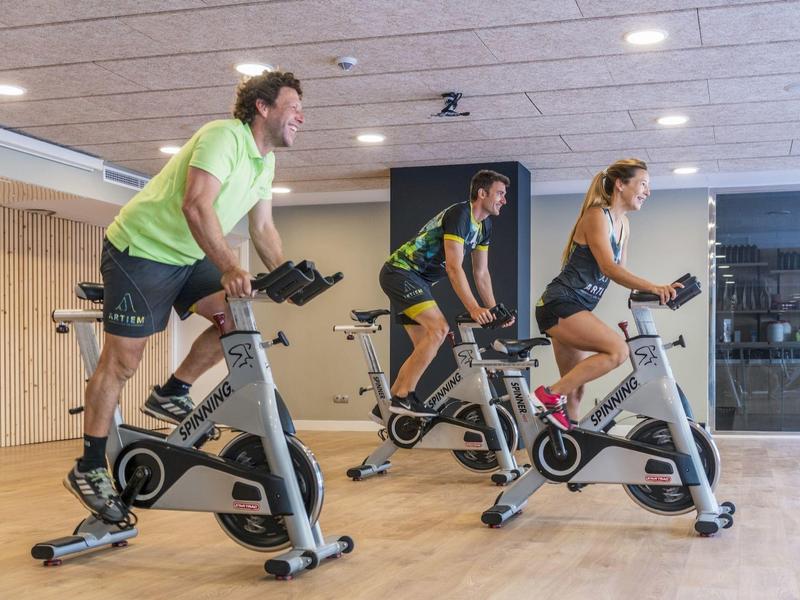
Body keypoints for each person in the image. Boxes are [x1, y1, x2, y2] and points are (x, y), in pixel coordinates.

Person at [64, 71, 305, 523]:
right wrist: (230, 266)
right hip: (142, 249)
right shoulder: (223, 137)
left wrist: (286, 276)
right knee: (123, 362)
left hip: (189, 255)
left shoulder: (265, 162)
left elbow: (263, 228)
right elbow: (196, 205)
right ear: (263, 107)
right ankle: (90, 466)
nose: (301, 117)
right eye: (294, 107)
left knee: (237, 317)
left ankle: (172, 391)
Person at [532, 158, 681, 430]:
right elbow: (608, 268)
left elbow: (622, 273)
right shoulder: (596, 216)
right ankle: (548, 395)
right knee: (617, 351)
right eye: (643, 184)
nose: (648, 192)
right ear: (621, 184)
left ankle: (566, 454)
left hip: (575, 308)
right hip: (559, 303)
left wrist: (661, 291)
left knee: (576, 391)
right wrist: (653, 286)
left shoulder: (624, 225)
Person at [377, 169, 514, 419]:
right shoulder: (461, 214)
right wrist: (474, 308)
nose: (504, 200)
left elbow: (481, 273)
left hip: (416, 279)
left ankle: (388, 405)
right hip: (400, 272)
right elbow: (453, 267)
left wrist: (494, 309)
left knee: (425, 344)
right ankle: (403, 398)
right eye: (500, 194)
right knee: (438, 330)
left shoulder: (485, 226)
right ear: (482, 193)